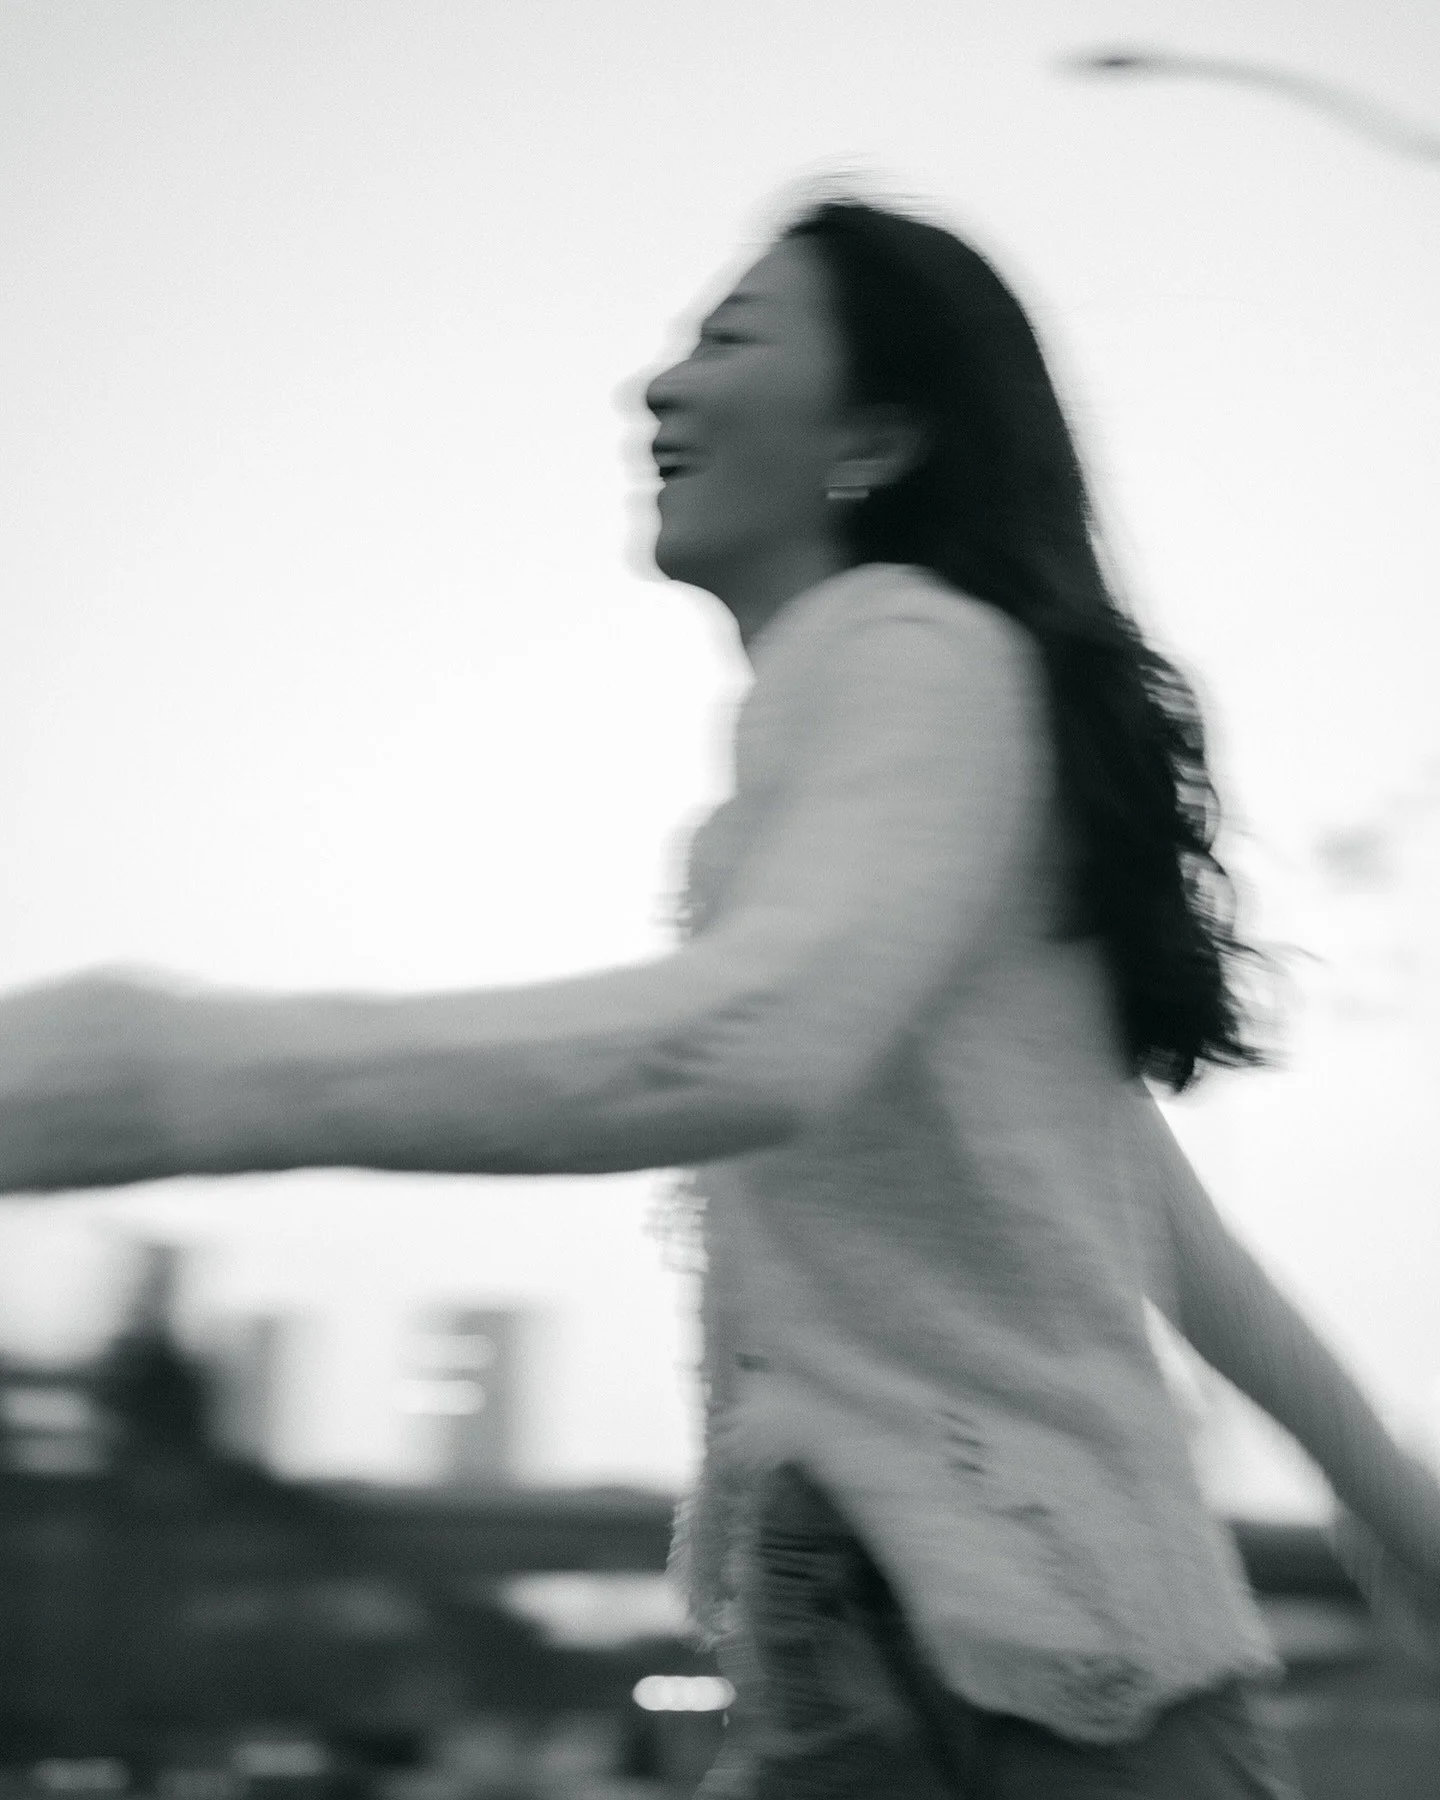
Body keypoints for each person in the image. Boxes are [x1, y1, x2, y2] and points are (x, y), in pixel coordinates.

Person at [0, 195, 1436, 1796]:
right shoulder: (875, 741)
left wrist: (125, 1070)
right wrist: (1399, 1506)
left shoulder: (917, 653)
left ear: (876, 436)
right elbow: (1135, 1203)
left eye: (731, 339)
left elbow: (745, 1046)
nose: (660, 387)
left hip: (1014, 1680)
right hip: (954, 1644)